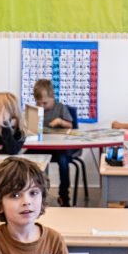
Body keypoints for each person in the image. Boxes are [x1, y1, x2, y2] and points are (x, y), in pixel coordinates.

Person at [33, 79, 73, 207]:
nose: (42, 106)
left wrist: (61, 122)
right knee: (27, 160)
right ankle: (36, 193)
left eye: (45, 103)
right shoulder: (35, 110)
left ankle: (64, 195)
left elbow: (70, 125)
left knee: (63, 162)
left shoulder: (60, 107)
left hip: (59, 148)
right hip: (41, 148)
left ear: (53, 98)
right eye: (39, 103)